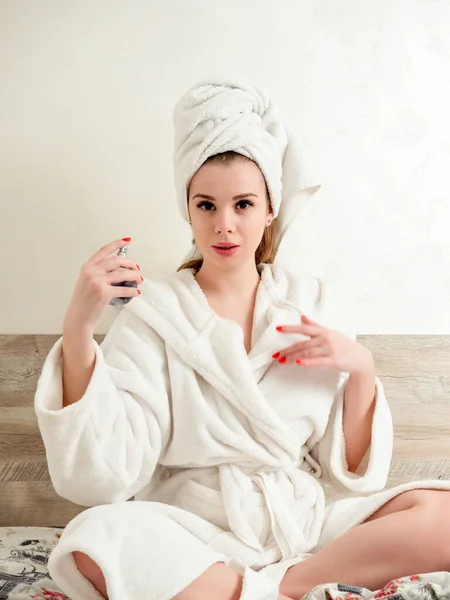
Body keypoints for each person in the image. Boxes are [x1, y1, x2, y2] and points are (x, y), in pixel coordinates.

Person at [34, 77, 450, 600]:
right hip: (194, 532)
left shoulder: (312, 303)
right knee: (94, 538)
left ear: (271, 208)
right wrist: (78, 328)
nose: (225, 226)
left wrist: (362, 369)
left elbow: (348, 475)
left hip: (301, 526)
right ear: (187, 208)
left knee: (445, 514)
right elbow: (104, 477)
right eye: (206, 205)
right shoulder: (154, 314)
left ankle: (274, 589)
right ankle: (278, 591)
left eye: (244, 205)